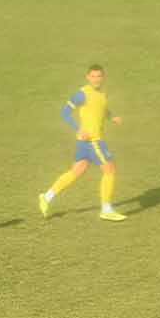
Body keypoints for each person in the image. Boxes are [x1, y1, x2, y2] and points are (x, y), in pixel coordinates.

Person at [39, 64, 126, 222]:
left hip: (85, 143)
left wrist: (112, 117)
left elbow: (102, 109)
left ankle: (46, 197)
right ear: (87, 77)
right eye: (93, 76)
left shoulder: (102, 94)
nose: (96, 79)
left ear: (103, 77)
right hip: (93, 140)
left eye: (99, 76)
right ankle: (106, 209)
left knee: (77, 170)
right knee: (110, 169)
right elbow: (65, 112)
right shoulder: (82, 94)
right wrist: (78, 129)